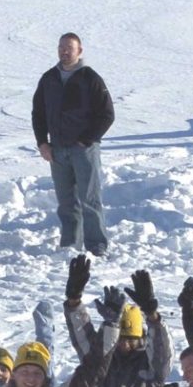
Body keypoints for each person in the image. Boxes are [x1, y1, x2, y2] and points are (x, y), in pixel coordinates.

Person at [65, 257, 173, 387]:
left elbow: (163, 354)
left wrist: (153, 317)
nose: (125, 344)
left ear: (141, 337)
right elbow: (81, 335)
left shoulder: (149, 364)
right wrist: (74, 302)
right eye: (120, 338)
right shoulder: (100, 359)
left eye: (131, 340)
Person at [32, 32, 114, 256]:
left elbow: (107, 115)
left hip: (83, 150)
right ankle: (70, 245)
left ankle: (97, 246)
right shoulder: (49, 78)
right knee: (66, 203)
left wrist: (85, 140)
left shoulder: (90, 78)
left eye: (69, 47)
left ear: (80, 50)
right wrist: (42, 142)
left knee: (90, 200)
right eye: (61, 47)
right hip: (57, 150)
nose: (64, 51)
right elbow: (38, 113)